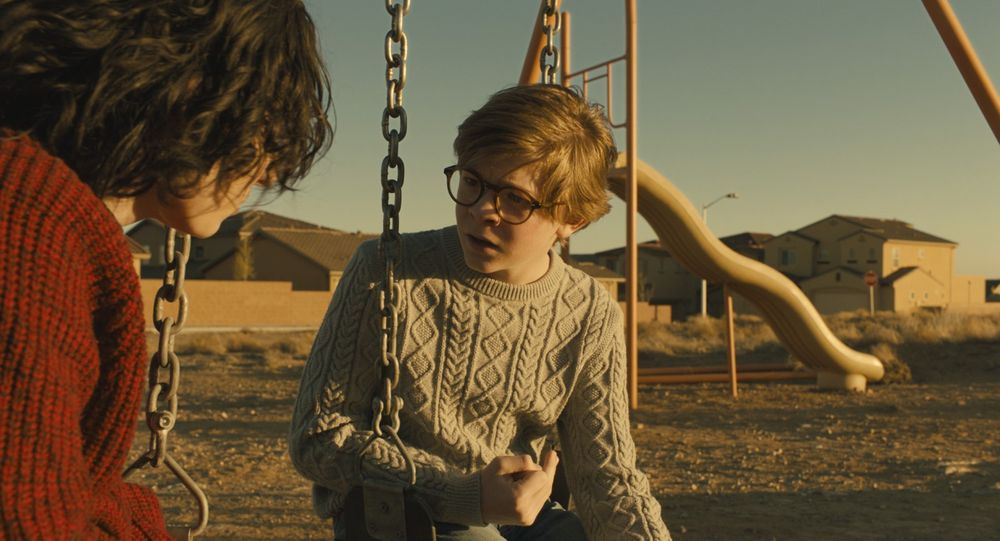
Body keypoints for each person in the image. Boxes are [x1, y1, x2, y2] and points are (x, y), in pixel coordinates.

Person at [0, 1, 332, 538]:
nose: (271, 171)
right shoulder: (25, 228)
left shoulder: (51, 212)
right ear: (190, 88)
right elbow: (27, 519)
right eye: (265, 123)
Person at [290, 85, 671, 540]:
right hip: (409, 513)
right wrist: (462, 493)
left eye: (515, 200)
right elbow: (318, 435)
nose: (481, 210)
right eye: (472, 182)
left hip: (525, 516)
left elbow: (607, 476)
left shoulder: (590, 313)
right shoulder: (386, 272)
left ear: (571, 221)